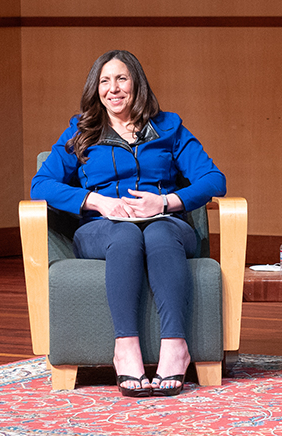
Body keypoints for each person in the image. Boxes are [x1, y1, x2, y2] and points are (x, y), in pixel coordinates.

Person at [31, 50, 226, 397]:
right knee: (125, 236)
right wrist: (98, 201)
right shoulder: (82, 131)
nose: (114, 89)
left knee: (158, 233)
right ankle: (125, 348)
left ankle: (176, 347)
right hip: (102, 228)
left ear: (137, 84)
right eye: (105, 81)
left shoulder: (168, 127)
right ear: (96, 88)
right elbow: (41, 184)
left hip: (166, 223)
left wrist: (164, 202)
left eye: (122, 79)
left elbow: (214, 179)